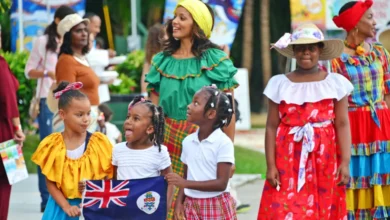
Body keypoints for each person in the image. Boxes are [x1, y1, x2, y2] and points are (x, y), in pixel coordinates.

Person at [144, 1, 239, 217]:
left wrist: (227, 157)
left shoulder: (216, 61)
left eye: (182, 18)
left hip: (204, 144)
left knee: (197, 204)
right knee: (165, 206)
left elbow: (228, 114)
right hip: (166, 141)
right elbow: (153, 113)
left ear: (196, 26)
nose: (174, 22)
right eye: (175, 17)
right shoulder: (161, 61)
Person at [257, 23, 353, 219]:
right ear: (293, 51)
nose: (306, 53)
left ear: (320, 50)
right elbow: (271, 126)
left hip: (325, 156)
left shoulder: (335, 83)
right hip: (288, 156)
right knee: (285, 205)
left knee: (324, 203)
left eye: (311, 48)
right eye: (300, 48)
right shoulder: (279, 83)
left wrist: (345, 162)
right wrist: (270, 165)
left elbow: (342, 124)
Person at [332, 1, 390, 219]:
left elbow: (388, 92)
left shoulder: (381, 53)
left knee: (382, 173)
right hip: (352, 126)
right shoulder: (336, 59)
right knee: (354, 176)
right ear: (355, 24)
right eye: (369, 17)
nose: (375, 22)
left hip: (381, 125)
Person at [32, 81, 113, 220]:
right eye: (79, 115)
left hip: (92, 206)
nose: (86, 119)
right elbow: (50, 183)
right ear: (63, 115)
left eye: (88, 113)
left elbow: (109, 176)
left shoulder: (99, 143)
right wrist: (66, 206)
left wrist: (93, 185)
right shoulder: (53, 145)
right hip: (60, 208)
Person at [24, 5, 75, 212]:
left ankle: (67, 194)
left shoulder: (72, 44)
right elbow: (29, 71)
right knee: (48, 148)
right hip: (49, 100)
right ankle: (46, 198)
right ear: (58, 21)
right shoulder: (44, 42)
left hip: (71, 101)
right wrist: (47, 73)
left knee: (71, 149)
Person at [166, 86, 237, 220]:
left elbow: (221, 183)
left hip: (215, 205)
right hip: (191, 204)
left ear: (211, 114)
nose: (189, 106)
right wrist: (179, 203)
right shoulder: (188, 141)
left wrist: (185, 183)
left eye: (196, 103)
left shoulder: (223, 143)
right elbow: (187, 176)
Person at [112, 96, 174, 214]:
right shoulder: (117, 149)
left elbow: (170, 182)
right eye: (128, 117)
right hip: (124, 212)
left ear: (150, 129)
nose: (128, 121)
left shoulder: (159, 152)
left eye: (136, 118)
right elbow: (115, 181)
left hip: (148, 212)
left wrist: (165, 209)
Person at [52, 13, 100, 133]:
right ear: (68, 36)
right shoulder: (66, 61)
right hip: (77, 123)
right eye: (78, 31)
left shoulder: (82, 58)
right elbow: (68, 98)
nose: (84, 33)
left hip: (88, 118)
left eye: (85, 30)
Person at [0, 56, 25, 220]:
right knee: (5, 182)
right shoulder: (1, 64)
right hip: (4, 130)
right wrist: (18, 128)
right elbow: (8, 98)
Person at [141, 23, 165, 98]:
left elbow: (144, 76)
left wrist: (144, 94)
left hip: (152, 93)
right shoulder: (164, 55)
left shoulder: (150, 56)